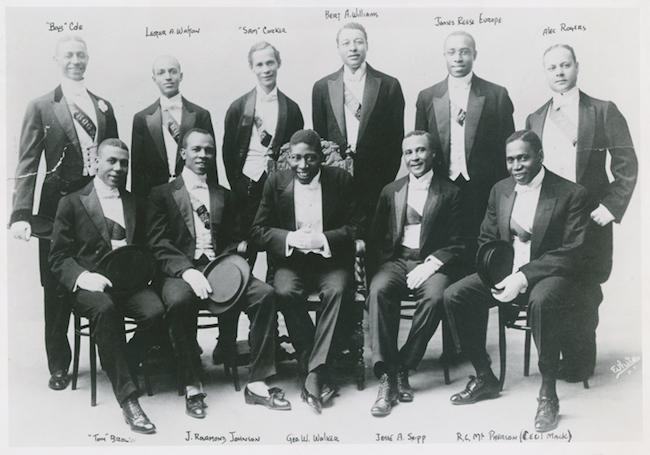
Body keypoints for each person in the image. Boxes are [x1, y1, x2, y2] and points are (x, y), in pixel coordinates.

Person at [444, 130, 589, 432]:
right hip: (506, 274)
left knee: (542, 299)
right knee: (455, 295)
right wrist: (497, 276)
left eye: (523, 157)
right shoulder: (500, 190)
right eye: (510, 160)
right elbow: (486, 239)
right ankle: (485, 377)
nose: (516, 166)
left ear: (540, 156)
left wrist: (523, 277)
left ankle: (548, 394)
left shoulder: (571, 193)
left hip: (549, 277)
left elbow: (571, 253)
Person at [147, 128, 290, 419]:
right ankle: (192, 384)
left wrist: (232, 262)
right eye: (196, 149)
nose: (203, 155)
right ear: (183, 153)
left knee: (264, 295)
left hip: (218, 268)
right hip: (179, 273)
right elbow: (158, 243)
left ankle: (259, 382)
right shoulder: (161, 194)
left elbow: (233, 239)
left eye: (208, 150)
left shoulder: (223, 194)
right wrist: (186, 271)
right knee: (178, 301)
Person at [10, 35, 119, 391]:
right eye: (69, 55)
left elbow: (113, 156)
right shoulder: (41, 105)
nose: (76, 60)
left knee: (103, 273)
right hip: (57, 207)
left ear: (88, 59)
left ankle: (112, 352)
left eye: (81, 55)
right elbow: (27, 162)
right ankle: (59, 363)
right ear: (56, 60)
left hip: (96, 204)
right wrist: (21, 213)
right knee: (57, 284)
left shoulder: (103, 105)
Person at [526, 44, 638, 381]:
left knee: (586, 287)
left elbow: (627, 165)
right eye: (552, 68)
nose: (559, 72)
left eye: (565, 65)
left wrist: (611, 207)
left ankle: (580, 360)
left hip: (591, 217)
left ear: (577, 67)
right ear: (545, 73)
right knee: (554, 282)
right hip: (550, 219)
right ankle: (558, 356)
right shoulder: (535, 118)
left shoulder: (603, 111)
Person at [49, 139, 164, 434]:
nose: (118, 168)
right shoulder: (72, 202)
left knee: (155, 312)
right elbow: (58, 257)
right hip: (90, 288)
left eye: (123, 163)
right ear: (96, 162)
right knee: (105, 310)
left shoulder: (136, 201)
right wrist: (83, 277)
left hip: (128, 285)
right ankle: (128, 399)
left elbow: (148, 247)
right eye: (111, 161)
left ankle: (119, 360)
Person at [251, 129, 361, 413]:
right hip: (292, 263)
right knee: (284, 291)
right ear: (288, 158)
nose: (302, 166)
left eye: (310, 159)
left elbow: (355, 226)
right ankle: (318, 365)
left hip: (331, 262)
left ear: (321, 158)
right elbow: (258, 230)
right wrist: (288, 238)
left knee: (337, 290)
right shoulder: (275, 182)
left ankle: (311, 371)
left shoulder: (341, 180)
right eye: (296, 159)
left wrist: (323, 240)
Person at [366, 131, 464, 417]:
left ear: (432, 154)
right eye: (408, 153)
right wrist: (376, 271)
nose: (415, 158)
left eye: (420, 151)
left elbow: (459, 242)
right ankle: (386, 374)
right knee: (379, 290)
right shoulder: (391, 190)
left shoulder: (451, 192)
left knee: (436, 297)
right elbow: (376, 238)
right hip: (396, 262)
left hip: (432, 262)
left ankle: (404, 367)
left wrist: (431, 263)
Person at [415, 31, 515, 266]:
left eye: (464, 52)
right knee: (445, 246)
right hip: (442, 186)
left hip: (483, 187)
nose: (458, 58)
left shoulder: (496, 95)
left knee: (480, 248)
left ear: (474, 54)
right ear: (444, 56)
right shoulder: (427, 96)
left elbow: (509, 148)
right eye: (452, 52)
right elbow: (419, 147)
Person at [312, 22, 404, 236]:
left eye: (358, 42)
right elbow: (322, 139)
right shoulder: (322, 88)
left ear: (367, 45)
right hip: (336, 180)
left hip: (376, 182)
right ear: (338, 48)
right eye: (346, 43)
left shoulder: (389, 85)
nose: (352, 48)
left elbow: (394, 141)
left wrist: (383, 182)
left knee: (373, 239)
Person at [223, 41, 304, 243]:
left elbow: (296, 152)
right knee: (245, 243)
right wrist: (238, 184)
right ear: (251, 67)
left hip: (279, 187)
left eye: (270, 63)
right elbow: (228, 153)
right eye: (259, 65)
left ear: (278, 63)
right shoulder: (238, 107)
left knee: (277, 241)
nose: (266, 70)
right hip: (246, 185)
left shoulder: (292, 109)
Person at [131, 55, 215, 198]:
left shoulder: (201, 115)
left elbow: (210, 162)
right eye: (161, 73)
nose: (168, 77)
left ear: (180, 76)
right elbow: (138, 169)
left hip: (193, 192)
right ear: (154, 79)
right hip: (155, 196)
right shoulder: (142, 119)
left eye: (173, 71)